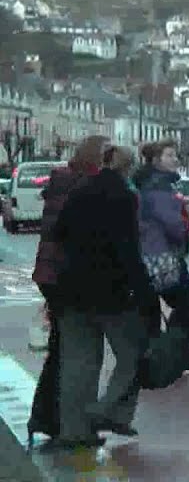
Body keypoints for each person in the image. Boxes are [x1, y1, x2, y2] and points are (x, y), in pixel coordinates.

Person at [53, 144, 157, 448]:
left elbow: (59, 232)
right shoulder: (124, 197)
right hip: (111, 292)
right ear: (129, 168)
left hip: (71, 288)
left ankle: (74, 431)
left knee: (77, 362)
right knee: (132, 354)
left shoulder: (81, 190)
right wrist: (145, 294)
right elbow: (128, 249)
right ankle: (106, 410)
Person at [27, 135, 110, 448]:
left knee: (62, 348)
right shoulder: (82, 186)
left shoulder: (62, 182)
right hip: (66, 275)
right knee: (75, 352)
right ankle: (61, 421)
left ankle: (46, 416)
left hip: (49, 272)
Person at [134, 140, 189, 370]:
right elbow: (173, 225)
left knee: (149, 309)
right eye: (170, 155)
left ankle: (150, 355)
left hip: (143, 256)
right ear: (156, 160)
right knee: (185, 303)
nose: (175, 160)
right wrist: (183, 223)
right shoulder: (159, 187)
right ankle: (177, 352)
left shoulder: (141, 183)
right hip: (163, 257)